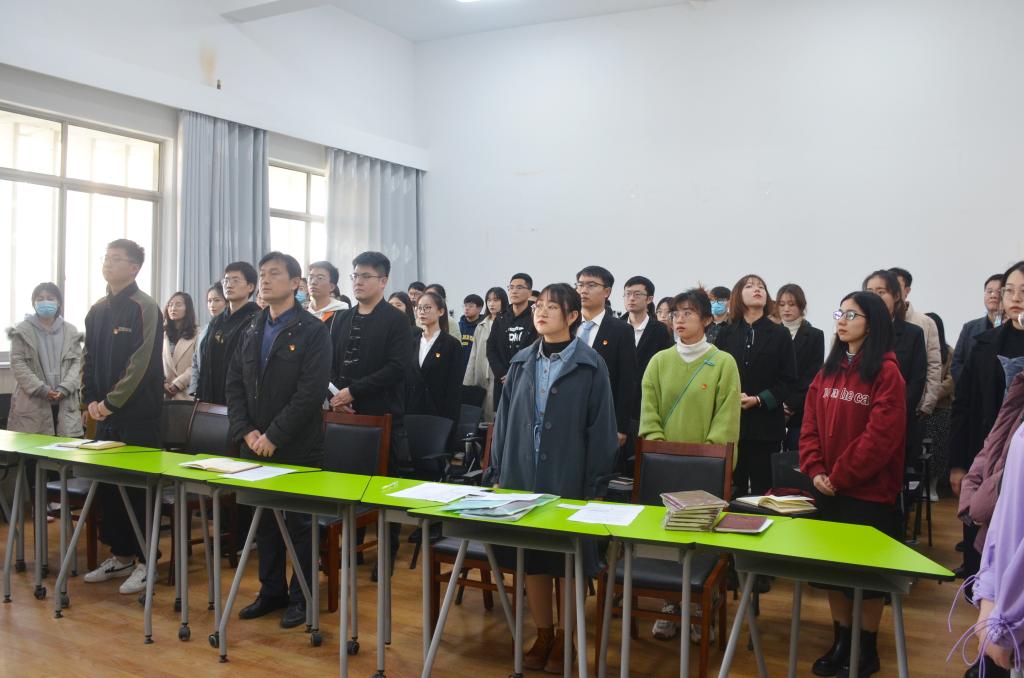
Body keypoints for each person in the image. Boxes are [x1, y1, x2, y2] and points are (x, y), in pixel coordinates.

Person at [488, 283, 618, 672]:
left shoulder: (591, 364)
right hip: (522, 475)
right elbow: (503, 421)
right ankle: (544, 633)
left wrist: (596, 486)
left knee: (567, 561)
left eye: (551, 307)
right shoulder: (521, 362)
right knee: (532, 559)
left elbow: (602, 429)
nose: (541, 312)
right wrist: (498, 473)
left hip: (569, 476)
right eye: (538, 306)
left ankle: (567, 636)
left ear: (572, 316)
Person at [800, 292, 906, 678]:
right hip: (826, 487)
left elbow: (880, 438)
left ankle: (867, 647)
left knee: (866, 576)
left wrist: (839, 476)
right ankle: (841, 640)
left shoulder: (887, 372)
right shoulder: (829, 369)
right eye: (839, 313)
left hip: (867, 493)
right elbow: (809, 423)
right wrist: (815, 469)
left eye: (851, 314)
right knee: (833, 571)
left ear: (872, 324)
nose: (841, 320)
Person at [226, 251, 331, 629]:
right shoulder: (252, 326)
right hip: (255, 443)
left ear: (295, 283)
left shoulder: (312, 330)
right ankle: (271, 591)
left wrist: (275, 434)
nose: (266, 280)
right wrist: (246, 431)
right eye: (262, 274)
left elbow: (310, 392)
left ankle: (303, 597)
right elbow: (234, 384)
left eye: (274, 274)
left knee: (300, 526)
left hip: (297, 445)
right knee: (264, 522)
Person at [639, 287, 741, 641]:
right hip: (663, 467)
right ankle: (670, 604)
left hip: (705, 471)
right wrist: (662, 452)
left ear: (707, 320)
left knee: (702, 538)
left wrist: (705, 461)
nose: (679, 319)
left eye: (688, 313)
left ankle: (700, 609)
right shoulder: (659, 361)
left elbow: (726, 419)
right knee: (667, 539)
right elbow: (649, 411)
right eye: (675, 313)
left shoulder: (723, 362)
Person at [81, 239, 164, 595]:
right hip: (104, 414)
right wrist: (90, 400)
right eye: (106, 257)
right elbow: (87, 357)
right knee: (110, 487)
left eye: (116, 259)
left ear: (134, 268)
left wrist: (111, 403)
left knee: (137, 490)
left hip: (138, 416)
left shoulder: (145, 307)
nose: (108, 263)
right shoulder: (97, 309)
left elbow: (140, 364)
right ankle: (121, 555)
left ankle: (147, 561)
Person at [950, 261, 1024, 582]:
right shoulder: (984, 344)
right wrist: (957, 464)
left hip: (1019, 461)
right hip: (984, 457)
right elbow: (963, 407)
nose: (1015, 298)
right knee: (979, 547)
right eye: (1010, 290)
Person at [714, 274, 797, 495]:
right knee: (731, 489)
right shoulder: (726, 333)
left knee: (764, 491)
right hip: (731, 424)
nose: (757, 289)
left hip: (766, 426)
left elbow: (788, 379)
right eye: (750, 286)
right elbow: (716, 376)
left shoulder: (780, 334)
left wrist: (759, 399)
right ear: (738, 295)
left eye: (761, 286)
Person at [330, 252, 412, 468]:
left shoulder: (397, 320)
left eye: (365, 276)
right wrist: (336, 397)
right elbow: (329, 362)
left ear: (383, 281)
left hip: (379, 416)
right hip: (341, 414)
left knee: (376, 481)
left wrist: (353, 391)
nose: (358, 282)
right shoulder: (342, 318)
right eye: (355, 276)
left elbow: (397, 367)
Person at [863, 270, 927, 463]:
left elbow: (916, 382)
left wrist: (888, 414)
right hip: (858, 421)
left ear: (897, 296)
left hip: (897, 424)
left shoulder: (913, 334)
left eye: (881, 292)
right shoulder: (857, 331)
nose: (874, 297)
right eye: (869, 292)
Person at [575, 266, 638, 456]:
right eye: (580, 285)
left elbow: (627, 381)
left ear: (607, 292)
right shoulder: (567, 325)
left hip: (602, 417)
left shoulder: (621, 330)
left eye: (591, 285)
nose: (583, 290)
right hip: (567, 415)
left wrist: (621, 426)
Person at [7, 282, 84, 437]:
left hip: (65, 402)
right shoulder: (22, 330)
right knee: (33, 447)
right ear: (34, 303)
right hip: (33, 403)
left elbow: (78, 362)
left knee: (66, 448)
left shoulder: (70, 330)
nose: (45, 302)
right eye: (40, 298)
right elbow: (18, 363)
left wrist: (64, 388)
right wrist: (41, 389)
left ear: (59, 302)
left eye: (50, 298)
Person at [622, 275, 673, 464]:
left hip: (644, 405)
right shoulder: (615, 326)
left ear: (649, 299)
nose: (631, 298)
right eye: (627, 294)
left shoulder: (659, 330)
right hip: (617, 405)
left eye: (637, 294)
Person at [194, 262, 261, 405]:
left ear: (250, 286)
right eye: (226, 280)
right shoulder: (216, 321)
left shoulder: (257, 320)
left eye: (235, 280)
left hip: (239, 401)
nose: (229, 285)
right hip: (209, 399)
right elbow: (204, 363)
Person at [407, 291, 464, 450]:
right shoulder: (412, 342)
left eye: (427, 307)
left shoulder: (451, 345)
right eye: (419, 308)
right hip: (412, 412)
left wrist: (449, 423)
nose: (422, 312)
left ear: (441, 311)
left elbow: (454, 388)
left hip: (439, 413)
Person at [776, 284, 825, 452]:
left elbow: (812, 374)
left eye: (792, 304)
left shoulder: (815, 335)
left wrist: (788, 406)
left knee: (796, 457)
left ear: (801, 306)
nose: (786, 309)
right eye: (782, 304)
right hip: (772, 406)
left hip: (800, 409)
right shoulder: (771, 333)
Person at [889, 267, 942, 418]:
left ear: (907, 290)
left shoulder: (925, 322)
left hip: (914, 405)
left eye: (896, 285)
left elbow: (933, 364)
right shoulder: (872, 322)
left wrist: (927, 404)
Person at [486, 273, 538, 411]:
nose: (514, 291)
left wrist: (519, 374)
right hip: (503, 380)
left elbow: (539, 348)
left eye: (519, 287)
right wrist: (502, 373)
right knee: (502, 418)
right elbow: (491, 348)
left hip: (528, 380)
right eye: (511, 287)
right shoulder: (501, 318)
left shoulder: (535, 316)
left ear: (529, 292)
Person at [464, 287, 509, 422]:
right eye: (489, 300)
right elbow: (473, 354)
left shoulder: (507, 323)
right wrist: (468, 381)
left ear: (503, 301)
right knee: (480, 415)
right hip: (480, 376)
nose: (491, 304)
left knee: (496, 414)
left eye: (496, 300)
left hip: (498, 375)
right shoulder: (481, 325)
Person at [952, 274, 1005, 382]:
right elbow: (956, 364)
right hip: (972, 388)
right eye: (989, 291)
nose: (993, 295)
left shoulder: (1015, 327)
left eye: (999, 292)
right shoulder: (969, 328)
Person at [924, 311, 955, 500]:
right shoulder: (917, 347)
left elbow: (951, 381)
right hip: (919, 408)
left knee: (937, 447)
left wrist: (930, 395)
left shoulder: (949, 351)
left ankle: (933, 486)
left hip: (941, 407)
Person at [189, 283, 226, 397]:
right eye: (209, 301)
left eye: (217, 300)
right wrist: (194, 388)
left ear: (227, 302)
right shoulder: (205, 330)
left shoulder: (230, 327)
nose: (212, 305)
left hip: (222, 389)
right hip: (203, 390)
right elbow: (196, 360)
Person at [161, 292, 197, 401]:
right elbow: (155, 363)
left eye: (178, 304)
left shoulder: (198, 334)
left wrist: (178, 383)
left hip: (186, 394)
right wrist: (162, 383)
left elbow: (197, 365)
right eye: (170, 305)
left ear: (188, 309)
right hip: (164, 394)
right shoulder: (162, 334)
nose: (173, 308)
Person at [307, 260, 350, 332]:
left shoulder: (342, 314)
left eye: (320, 278)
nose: (313, 282)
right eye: (311, 278)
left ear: (332, 287)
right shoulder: (301, 311)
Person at [458, 293, 485, 374]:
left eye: (470, 306)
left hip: (476, 369)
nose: (466, 308)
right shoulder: (458, 326)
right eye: (465, 306)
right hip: (459, 368)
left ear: (479, 309)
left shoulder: (483, 327)